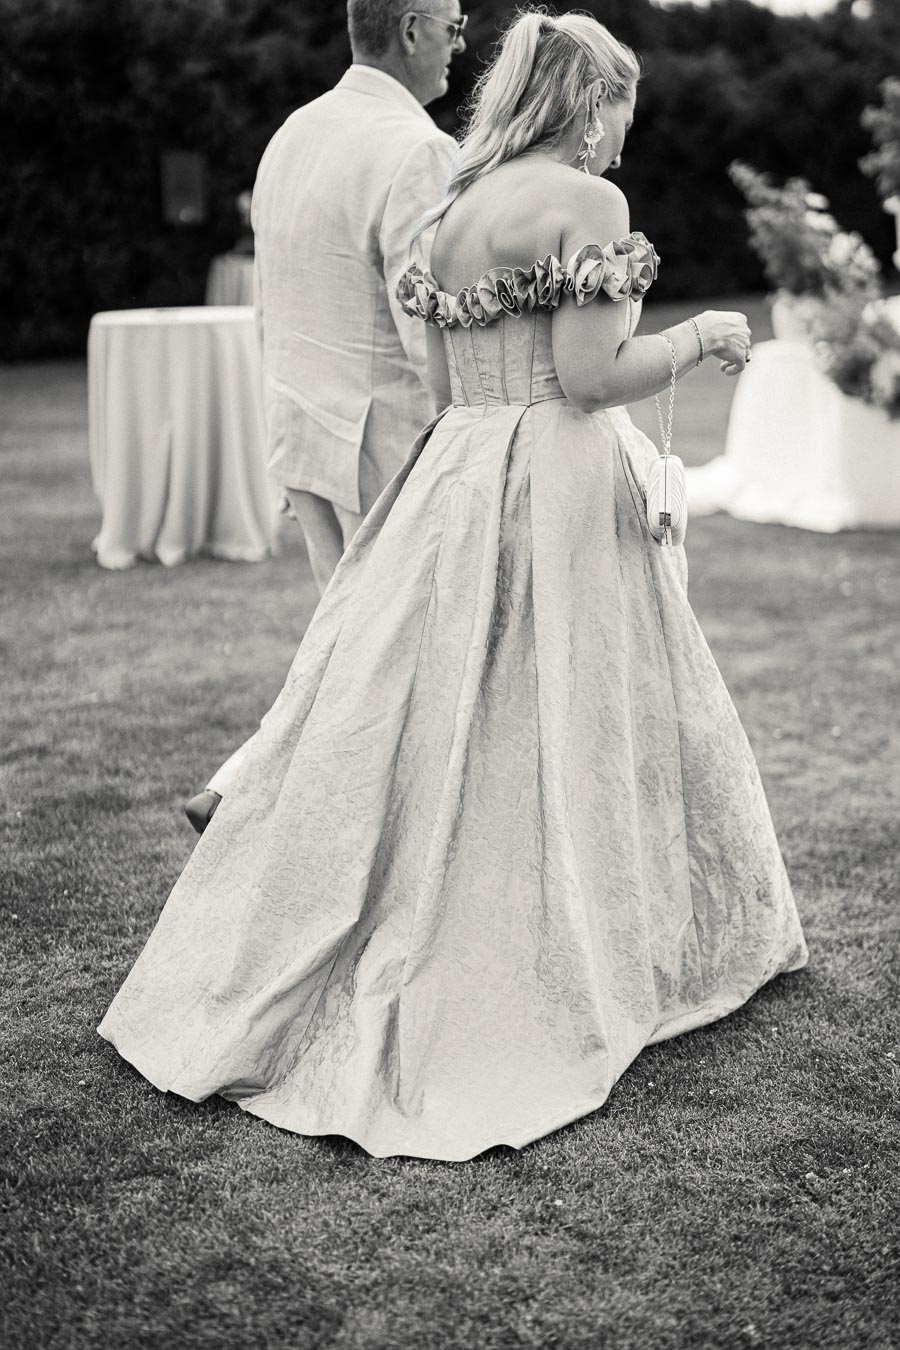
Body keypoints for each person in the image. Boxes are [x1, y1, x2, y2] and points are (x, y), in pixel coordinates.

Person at [100, 9, 808, 1163]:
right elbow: (587, 378)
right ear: (587, 100)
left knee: (441, 721)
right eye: (623, 101)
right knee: (574, 706)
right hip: (559, 480)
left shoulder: (454, 210)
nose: (629, 127)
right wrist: (701, 337)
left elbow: (438, 379)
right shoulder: (590, 206)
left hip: (456, 474)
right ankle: (572, 953)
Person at [185, 0, 464, 833]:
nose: (460, 45)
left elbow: (274, 306)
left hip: (306, 435)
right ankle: (253, 794)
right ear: (410, 29)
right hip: (390, 445)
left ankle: (257, 799)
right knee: (397, 654)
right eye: (452, 27)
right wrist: (470, 434)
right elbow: (430, 328)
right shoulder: (418, 148)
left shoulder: (290, 135)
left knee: (356, 646)